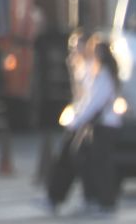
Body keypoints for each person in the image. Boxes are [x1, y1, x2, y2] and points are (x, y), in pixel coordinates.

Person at [50, 34, 122, 214]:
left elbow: (94, 103)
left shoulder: (104, 75)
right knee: (87, 160)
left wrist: (76, 122)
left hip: (104, 126)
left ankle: (103, 201)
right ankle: (93, 199)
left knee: (98, 164)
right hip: (96, 125)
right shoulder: (96, 73)